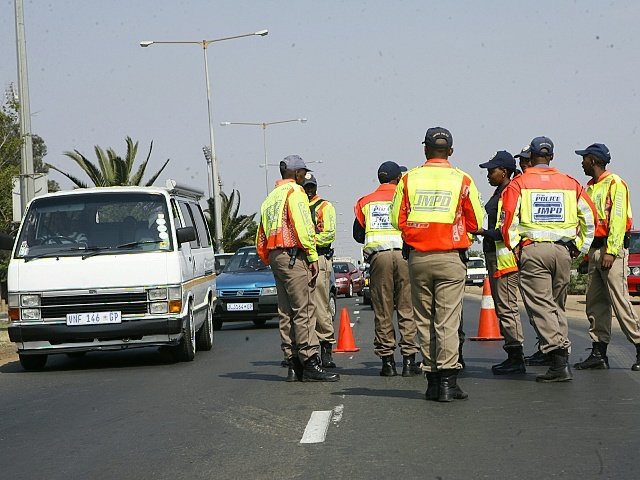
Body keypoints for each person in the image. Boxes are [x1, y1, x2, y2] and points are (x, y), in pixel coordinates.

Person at [390, 127, 483, 401]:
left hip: (418, 259)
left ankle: (432, 381)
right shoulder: (462, 179)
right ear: (450, 151)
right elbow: (477, 221)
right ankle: (447, 382)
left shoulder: (409, 178)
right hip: (450, 258)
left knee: (424, 320)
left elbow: (397, 219)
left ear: (425, 150)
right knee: (447, 321)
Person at [500, 136, 596, 383]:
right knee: (556, 306)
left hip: (534, 250)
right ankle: (561, 351)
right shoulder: (570, 183)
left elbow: (507, 221)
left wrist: (516, 248)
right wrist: (579, 249)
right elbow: (590, 219)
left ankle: (558, 358)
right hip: (563, 252)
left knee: (541, 306)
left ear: (531, 157)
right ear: (551, 156)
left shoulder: (519, 183)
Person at [256, 155, 339, 382]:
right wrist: (311, 256)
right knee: (305, 311)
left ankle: (293, 364)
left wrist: (269, 258)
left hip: (276, 258)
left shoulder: (271, 197)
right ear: (297, 173)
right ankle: (310, 361)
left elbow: (260, 234)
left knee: (285, 313)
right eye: (303, 172)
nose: (304, 176)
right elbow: (303, 227)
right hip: (294, 257)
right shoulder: (296, 193)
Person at [573, 143, 640, 371]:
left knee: (620, 301)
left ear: (593, 160)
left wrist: (611, 251)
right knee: (595, 303)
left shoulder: (615, 183)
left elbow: (618, 219)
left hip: (610, 252)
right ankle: (599, 353)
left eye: (584, 158)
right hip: (594, 251)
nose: (581, 162)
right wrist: (585, 255)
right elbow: (586, 224)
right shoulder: (590, 187)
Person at [353, 161, 421, 377]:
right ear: (397, 178)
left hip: (378, 258)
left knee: (383, 309)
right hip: (404, 256)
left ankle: (387, 363)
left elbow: (358, 235)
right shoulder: (406, 198)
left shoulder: (366, 202)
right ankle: (409, 361)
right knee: (406, 308)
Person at [476, 151, 526, 375]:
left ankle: (516, 356)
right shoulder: (500, 191)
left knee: (507, 308)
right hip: (495, 256)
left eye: (491, 171)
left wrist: (483, 232)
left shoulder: (509, 192)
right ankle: (514, 353)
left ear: (504, 171)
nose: (488, 175)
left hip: (504, 258)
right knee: (503, 308)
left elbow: (506, 229)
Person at [514, 145, 551, 367]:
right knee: (541, 305)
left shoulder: (526, 184)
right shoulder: (523, 182)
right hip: (538, 250)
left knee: (543, 305)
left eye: (526, 160)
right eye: (521, 160)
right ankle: (547, 347)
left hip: (536, 250)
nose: (523, 164)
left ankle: (554, 351)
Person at [303, 173, 338, 369]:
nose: (308, 190)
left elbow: (329, 234)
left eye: (311, 187)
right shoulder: (297, 205)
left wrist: (307, 241)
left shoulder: (325, 207)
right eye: (305, 187)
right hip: (300, 259)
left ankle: (326, 349)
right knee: (300, 307)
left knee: (320, 304)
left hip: (320, 258)